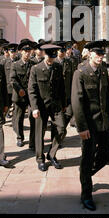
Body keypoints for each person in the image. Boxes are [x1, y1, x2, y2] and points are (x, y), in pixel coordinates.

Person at [71, 40, 109, 211]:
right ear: (89, 53)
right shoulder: (80, 73)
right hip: (89, 125)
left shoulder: (103, 71)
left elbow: (107, 98)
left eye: (102, 53)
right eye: (97, 53)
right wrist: (81, 128)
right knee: (88, 156)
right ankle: (86, 194)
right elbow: (77, 102)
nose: (100, 56)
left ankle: (86, 173)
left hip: (103, 122)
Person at [28, 43, 66, 172]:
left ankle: (52, 154)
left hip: (55, 105)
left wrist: (64, 104)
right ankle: (40, 159)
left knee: (61, 129)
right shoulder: (36, 68)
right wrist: (34, 107)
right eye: (50, 57)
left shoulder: (58, 67)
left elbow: (62, 87)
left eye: (53, 57)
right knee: (40, 133)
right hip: (41, 106)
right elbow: (31, 90)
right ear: (45, 55)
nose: (51, 60)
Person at [10, 41, 35, 149]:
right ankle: (20, 137)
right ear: (21, 52)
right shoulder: (15, 65)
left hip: (31, 96)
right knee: (18, 118)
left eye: (29, 51)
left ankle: (32, 140)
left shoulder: (34, 64)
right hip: (19, 95)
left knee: (33, 117)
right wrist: (19, 89)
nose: (27, 53)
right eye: (25, 51)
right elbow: (12, 79)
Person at [3, 43, 18, 119]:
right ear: (9, 52)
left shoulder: (18, 61)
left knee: (16, 104)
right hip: (7, 87)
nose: (13, 54)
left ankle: (14, 118)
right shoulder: (5, 62)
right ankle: (4, 115)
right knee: (7, 104)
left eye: (14, 52)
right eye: (11, 52)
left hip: (16, 87)